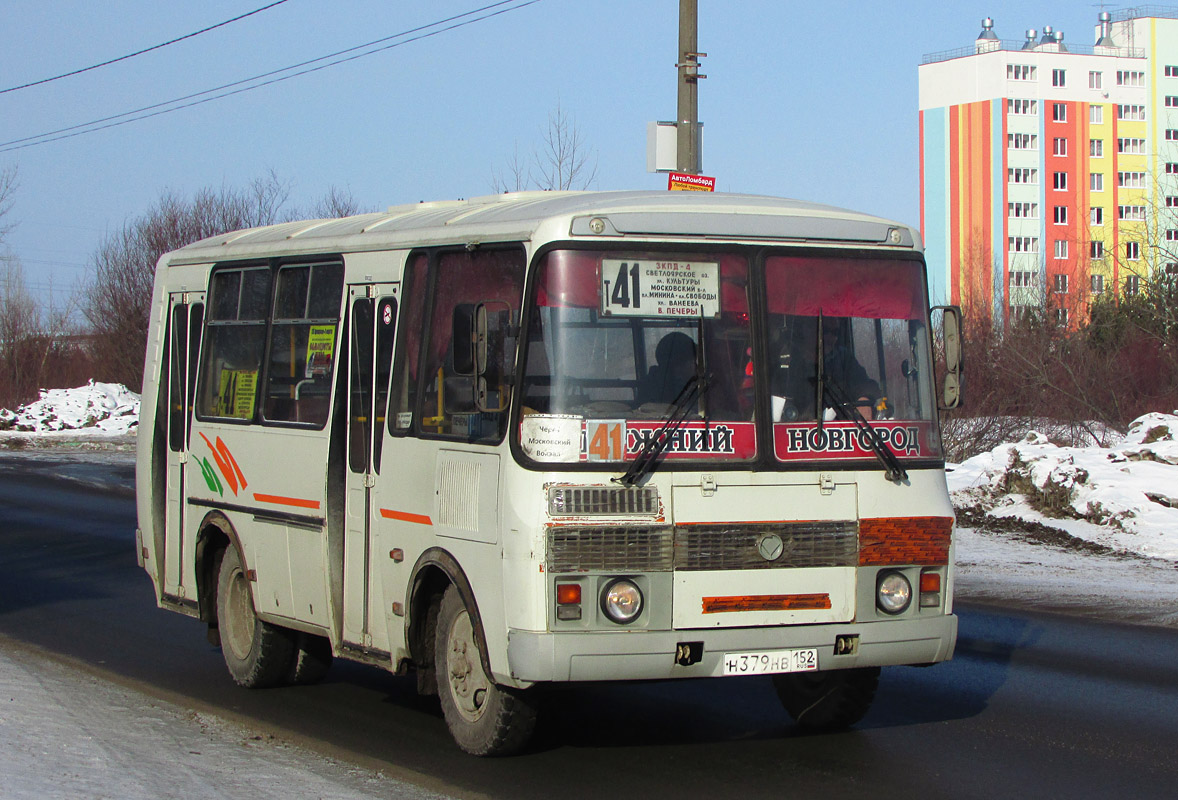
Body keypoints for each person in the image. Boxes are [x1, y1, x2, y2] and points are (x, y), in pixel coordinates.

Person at [773, 316, 878, 420]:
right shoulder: (784, 359)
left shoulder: (843, 359)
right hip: (791, 432)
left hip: (835, 433)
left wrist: (865, 399)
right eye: (825, 331)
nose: (831, 338)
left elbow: (865, 384)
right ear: (807, 329)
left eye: (835, 332)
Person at [639, 331, 698, 405]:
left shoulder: (652, 382)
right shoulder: (661, 388)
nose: (696, 367)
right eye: (693, 361)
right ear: (678, 367)